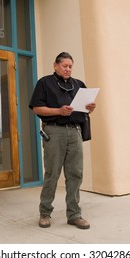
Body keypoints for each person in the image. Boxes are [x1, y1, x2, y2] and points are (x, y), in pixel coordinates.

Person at [29, 52, 96, 229]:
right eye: (65, 66)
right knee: (52, 173)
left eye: (70, 66)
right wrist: (59, 111)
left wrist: (90, 108)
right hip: (54, 131)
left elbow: (85, 111)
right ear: (55, 65)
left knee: (75, 174)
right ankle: (45, 213)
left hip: (75, 132)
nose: (68, 69)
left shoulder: (79, 85)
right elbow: (36, 109)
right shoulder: (44, 83)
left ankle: (74, 215)